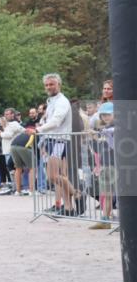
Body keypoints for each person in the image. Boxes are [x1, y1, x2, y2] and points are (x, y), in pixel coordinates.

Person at [37, 73, 80, 215]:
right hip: (51, 139)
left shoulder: (62, 101)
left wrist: (39, 129)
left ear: (59, 85)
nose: (49, 87)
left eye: (52, 84)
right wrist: (42, 125)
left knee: (53, 176)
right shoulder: (51, 101)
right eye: (47, 85)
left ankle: (78, 194)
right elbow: (48, 120)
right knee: (59, 177)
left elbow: (56, 121)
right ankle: (68, 208)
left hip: (59, 140)